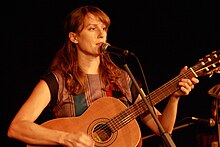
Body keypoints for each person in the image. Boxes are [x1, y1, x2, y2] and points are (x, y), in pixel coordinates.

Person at [7, 5, 199, 147]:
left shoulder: (123, 79)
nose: (101, 34)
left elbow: (162, 129)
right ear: (74, 37)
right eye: (92, 29)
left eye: (104, 28)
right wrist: (65, 137)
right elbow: (17, 127)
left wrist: (174, 98)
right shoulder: (57, 80)